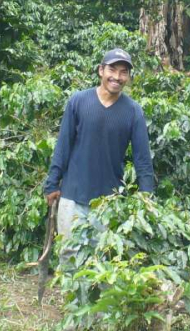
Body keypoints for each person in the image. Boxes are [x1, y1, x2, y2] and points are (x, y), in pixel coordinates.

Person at [43, 48, 155, 257]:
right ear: (101, 70)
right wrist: (52, 184)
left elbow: (143, 159)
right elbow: (63, 146)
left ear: (128, 77)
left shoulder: (133, 111)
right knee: (69, 257)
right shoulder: (78, 101)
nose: (117, 77)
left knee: (102, 261)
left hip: (108, 203)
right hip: (73, 197)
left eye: (124, 72)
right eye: (112, 69)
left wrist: (146, 196)